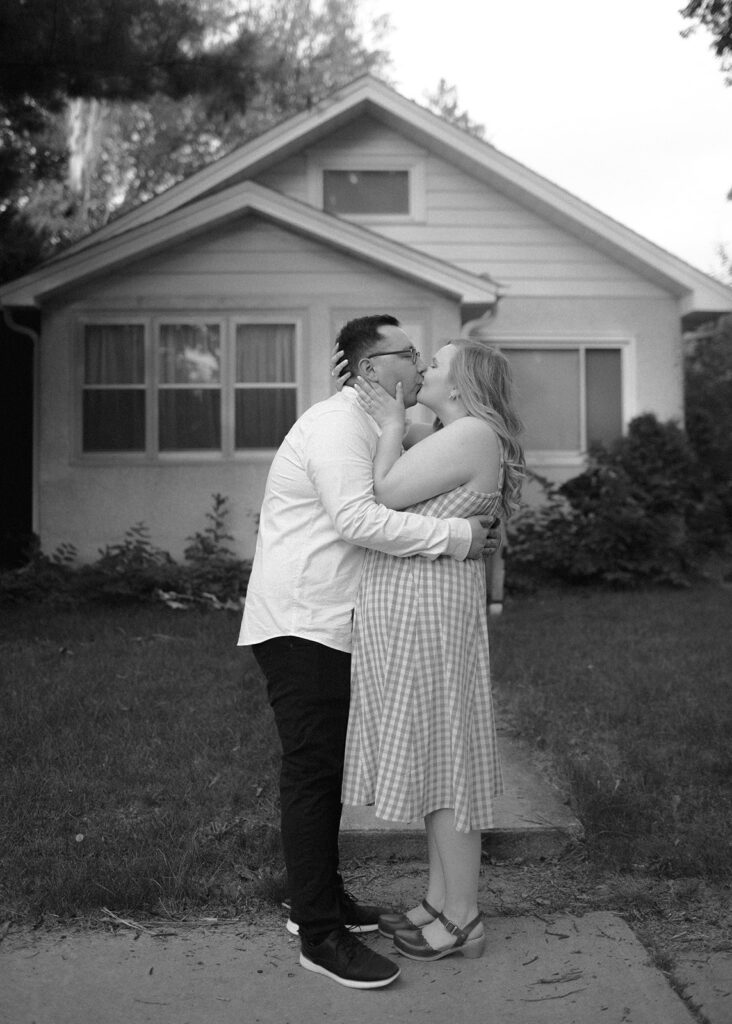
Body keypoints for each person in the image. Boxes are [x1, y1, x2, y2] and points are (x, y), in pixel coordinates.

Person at [238, 315, 500, 990]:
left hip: (336, 618)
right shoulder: (336, 427)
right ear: (372, 367)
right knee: (312, 771)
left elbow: (450, 456)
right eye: (409, 353)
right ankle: (319, 935)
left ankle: (321, 904)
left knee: (319, 769)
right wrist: (459, 539)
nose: (418, 361)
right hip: (303, 620)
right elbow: (359, 518)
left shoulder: (382, 423)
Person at [340, 338, 525, 963]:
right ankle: (440, 900)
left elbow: (385, 491)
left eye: (437, 363)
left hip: (432, 613)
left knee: (450, 762)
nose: (424, 370)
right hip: (418, 610)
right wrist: (366, 392)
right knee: (435, 757)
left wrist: (394, 423)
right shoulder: (448, 431)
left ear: (463, 380)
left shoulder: (471, 432)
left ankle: (464, 917)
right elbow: (378, 427)